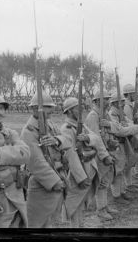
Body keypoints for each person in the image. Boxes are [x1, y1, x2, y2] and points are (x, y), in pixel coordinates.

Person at [21, 91, 73, 228]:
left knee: (51, 220)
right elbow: (35, 162)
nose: (50, 113)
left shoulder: (51, 125)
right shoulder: (29, 131)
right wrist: (55, 181)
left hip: (57, 175)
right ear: (34, 109)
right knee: (36, 222)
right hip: (41, 182)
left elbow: (68, 141)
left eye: (50, 109)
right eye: (46, 109)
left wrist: (56, 140)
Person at [60, 97, 113, 227]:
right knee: (74, 201)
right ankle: (75, 226)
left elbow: (95, 137)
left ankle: (80, 224)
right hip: (76, 171)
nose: (81, 110)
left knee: (82, 200)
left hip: (87, 165)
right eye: (77, 108)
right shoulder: (66, 128)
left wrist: (87, 137)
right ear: (69, 111)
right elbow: (70, 153)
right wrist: (80, 177)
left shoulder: (80, 125)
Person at [0, 93, 30, 228]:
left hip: (15, 192)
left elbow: (25, 153)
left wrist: (0, 152)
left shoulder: (10, 133)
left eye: (1, 108)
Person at [85, 90, 118, 221]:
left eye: (108, 99)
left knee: (106, 182)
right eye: (105, 99)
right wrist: (105, 156)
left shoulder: (104, 115)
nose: (107, 101)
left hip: (107, 151)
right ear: (97, 101)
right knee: (101, 183)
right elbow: (96, 138)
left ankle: (104, 206)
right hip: (99, 155)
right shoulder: (93, 116)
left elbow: (115, 127)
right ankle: (101, 210)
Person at [107, 93, 138, 208]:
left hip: (123, 143)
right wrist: (133, 128)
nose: (122, 104)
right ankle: (116, 195)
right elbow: (119, 131)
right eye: (121, 102)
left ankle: (122, 192)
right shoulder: (112, 114)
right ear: (115, 103)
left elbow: (129, 123)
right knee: (118, 170)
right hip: (116, 144)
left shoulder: (119, 114)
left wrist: (130, 126)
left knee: (122, 168)